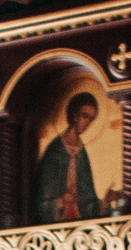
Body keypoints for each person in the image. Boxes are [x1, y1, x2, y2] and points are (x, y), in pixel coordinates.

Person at [32, 92, 118, 222]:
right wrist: (61, 201)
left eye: (91, 119)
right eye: (85, 116)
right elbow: (41, 202)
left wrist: (105, 201)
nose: (87, 123)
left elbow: (88, 201)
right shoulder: (55, 150)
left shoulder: (82, 152)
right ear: (74, 114)